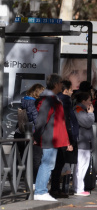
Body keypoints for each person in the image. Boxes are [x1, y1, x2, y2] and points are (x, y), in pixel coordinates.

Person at [33, 74, 72, 202]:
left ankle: (41, 190)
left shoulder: (51, 99)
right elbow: (41, 120)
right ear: (56, 84)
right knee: (47, 164)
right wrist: (37, 136)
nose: (62, 85)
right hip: (49, 137)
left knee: (48, 164)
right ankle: (40, 191)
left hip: (51, 136)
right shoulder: (49, 100)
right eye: (60, 83)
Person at [50, 80, 79, 198]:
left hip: (56, 135)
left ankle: (55, 188)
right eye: (71, 89)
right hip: (63, 136)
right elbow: (67, 121)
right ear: (65, 90)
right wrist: (69, 140)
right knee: (59, 163)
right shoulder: (65, 100)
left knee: (57, 164)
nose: (72, 92)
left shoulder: (56, 99)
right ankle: (55, 189)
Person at [15, 83, 45, 184]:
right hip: (31, 133)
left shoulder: (24, 101)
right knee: (34, 158)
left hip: (21, 132)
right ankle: (32, 183)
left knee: (22, 156)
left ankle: (19, 179)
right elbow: (36, 119)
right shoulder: (33, 103)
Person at [73, 92, 95, 196]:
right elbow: (87, 122)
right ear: (83, 101)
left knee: (82, 166)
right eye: (89, 100)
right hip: (81, 142)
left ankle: (79, 187)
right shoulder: (78, 110)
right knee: (81, 166)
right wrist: (91, 113)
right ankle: (79, 188)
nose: (91, 102)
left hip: (84, 142)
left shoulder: (80, 110)